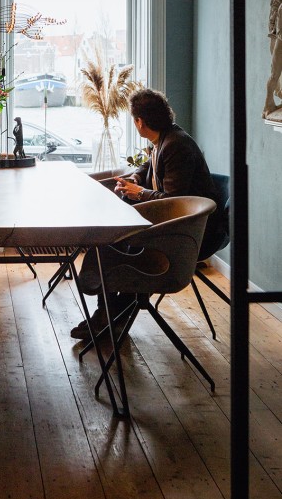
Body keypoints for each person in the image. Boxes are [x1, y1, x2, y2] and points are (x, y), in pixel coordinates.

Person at [71, 88, 222, 341]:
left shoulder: (176, 146)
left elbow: (175, 202)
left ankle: (107, 318)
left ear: (140, 121)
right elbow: (145, 167)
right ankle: (108, 317)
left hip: (190, 235)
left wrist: (139, 193)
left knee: (113, 247)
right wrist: (133, 180)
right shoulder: (164, 139)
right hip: (170, 227)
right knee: (112, 245)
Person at [262, 0, 282, 119]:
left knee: (274, 73)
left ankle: (270, 102)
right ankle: (268, 104)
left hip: (277, 36)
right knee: (274, 73)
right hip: (279, 38)